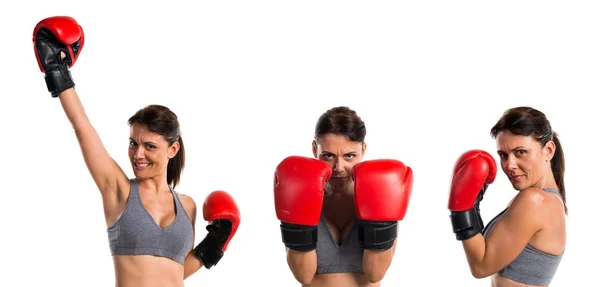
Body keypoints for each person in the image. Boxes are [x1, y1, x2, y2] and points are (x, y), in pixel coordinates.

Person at [32, 16, 241, 287]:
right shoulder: (118, 189)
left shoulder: (187, 206)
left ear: (172, 149)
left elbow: (174, 272)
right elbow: (82, 126)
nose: (137, 154)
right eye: (133, 143)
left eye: (149, 146)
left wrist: (213, 247)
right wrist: (55, 70)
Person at [273, 106, 414, 287]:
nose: (338, 167)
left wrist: (379, 223)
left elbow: (374, 273)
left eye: (349, 156)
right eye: (328, 156)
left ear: (363, 150)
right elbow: (304, 275)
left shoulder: (379, 193)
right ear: (314, 149)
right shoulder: (301, 191)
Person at [447, 106, 566, 287]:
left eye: (521, 152)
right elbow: (486, 251)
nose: (509, 165)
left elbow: (481, 266)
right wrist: (472, 205)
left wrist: (463, 209)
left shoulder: (535, 201)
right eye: (503, 155)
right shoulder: (544, 200)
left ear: (548, 150)